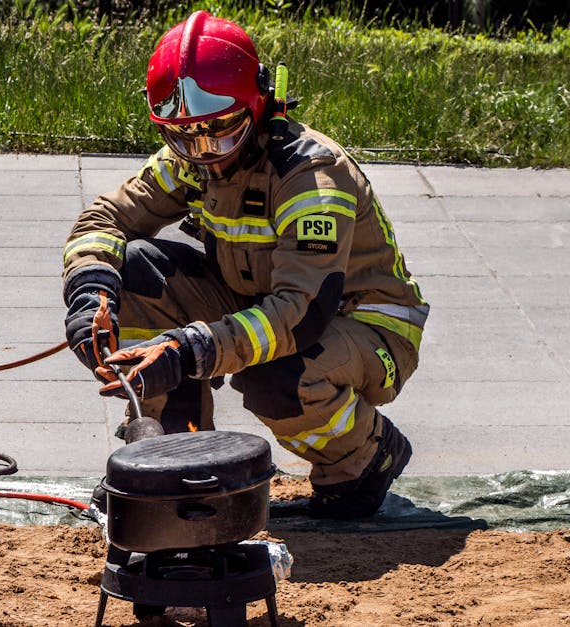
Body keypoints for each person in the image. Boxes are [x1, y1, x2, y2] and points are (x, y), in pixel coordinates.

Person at [61, 10, 429, 520]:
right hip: (261, 299)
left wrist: (189, 350)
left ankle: (363, 459)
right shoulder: (192, 156)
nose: (205, 153)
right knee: (137, 272)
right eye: (185, 137)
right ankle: (172, 459)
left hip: (360, 323)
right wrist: (89, 293)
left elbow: (300, 314)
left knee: (278, 378)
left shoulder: (310, 176)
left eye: (221, 132)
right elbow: (105, 218)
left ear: (256, 106)